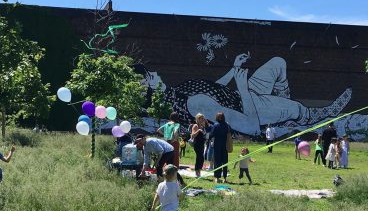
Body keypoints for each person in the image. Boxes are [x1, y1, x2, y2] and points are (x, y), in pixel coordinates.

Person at [137, 55, 352, 137]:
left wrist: (233, 70)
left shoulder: (180, 91)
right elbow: (251, 126)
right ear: (149, 87)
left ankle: (285, 102)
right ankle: (308, 114)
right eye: (149, 76)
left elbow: (212, 89)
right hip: (252, 106)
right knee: (296, 108)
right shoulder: (194, 105)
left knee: (278, 62)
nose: (154, 72)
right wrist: (242, 87)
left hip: (243, 93)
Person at [209, 112, 231, 183]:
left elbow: (211, 135)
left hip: (217, 145)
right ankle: (225, 178)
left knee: (217, 161)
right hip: (225, 145)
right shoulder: (227, 125)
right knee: (225, 161)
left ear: (217, 117)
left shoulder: (216, 125)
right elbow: (230, 133)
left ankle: (217, 178)